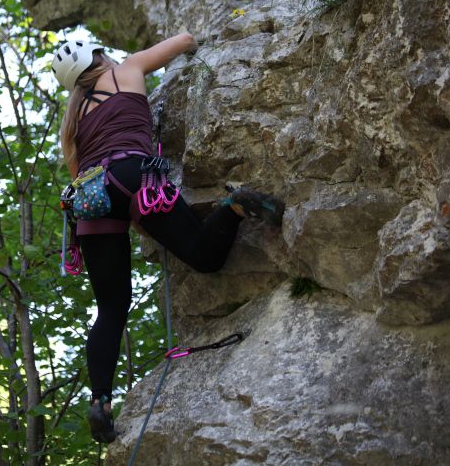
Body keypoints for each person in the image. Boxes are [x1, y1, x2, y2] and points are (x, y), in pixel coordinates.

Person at [51, 34, 284, 443]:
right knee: (203, 256)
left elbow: (79, 175)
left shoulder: (73, 121)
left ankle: (101, 401)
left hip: (90, 196)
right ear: (98, 55)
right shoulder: (127, 70)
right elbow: (184, 41)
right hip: (132, 175)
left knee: (110, 308)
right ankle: (233, 206)